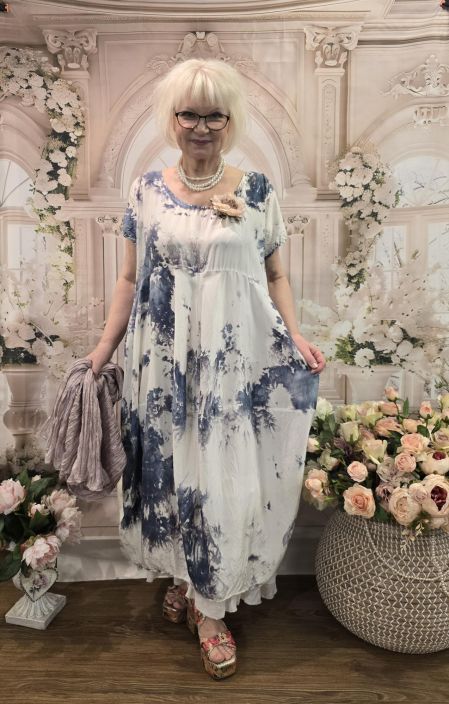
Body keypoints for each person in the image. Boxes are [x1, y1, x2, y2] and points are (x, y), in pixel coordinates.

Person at [86, 57, 325, 680]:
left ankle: (212, 606)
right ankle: (189, 577)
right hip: (162, 368)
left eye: (213, 115)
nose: (200, 126)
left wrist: (295, 334)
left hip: (230, 369)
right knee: (172, 474)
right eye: (188, 114)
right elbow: (129, 278)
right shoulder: (145, 190)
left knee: (222, 478)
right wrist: (104, 348)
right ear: (172, 118)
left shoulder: (258, 191)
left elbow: (275, 274)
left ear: (230, 119)